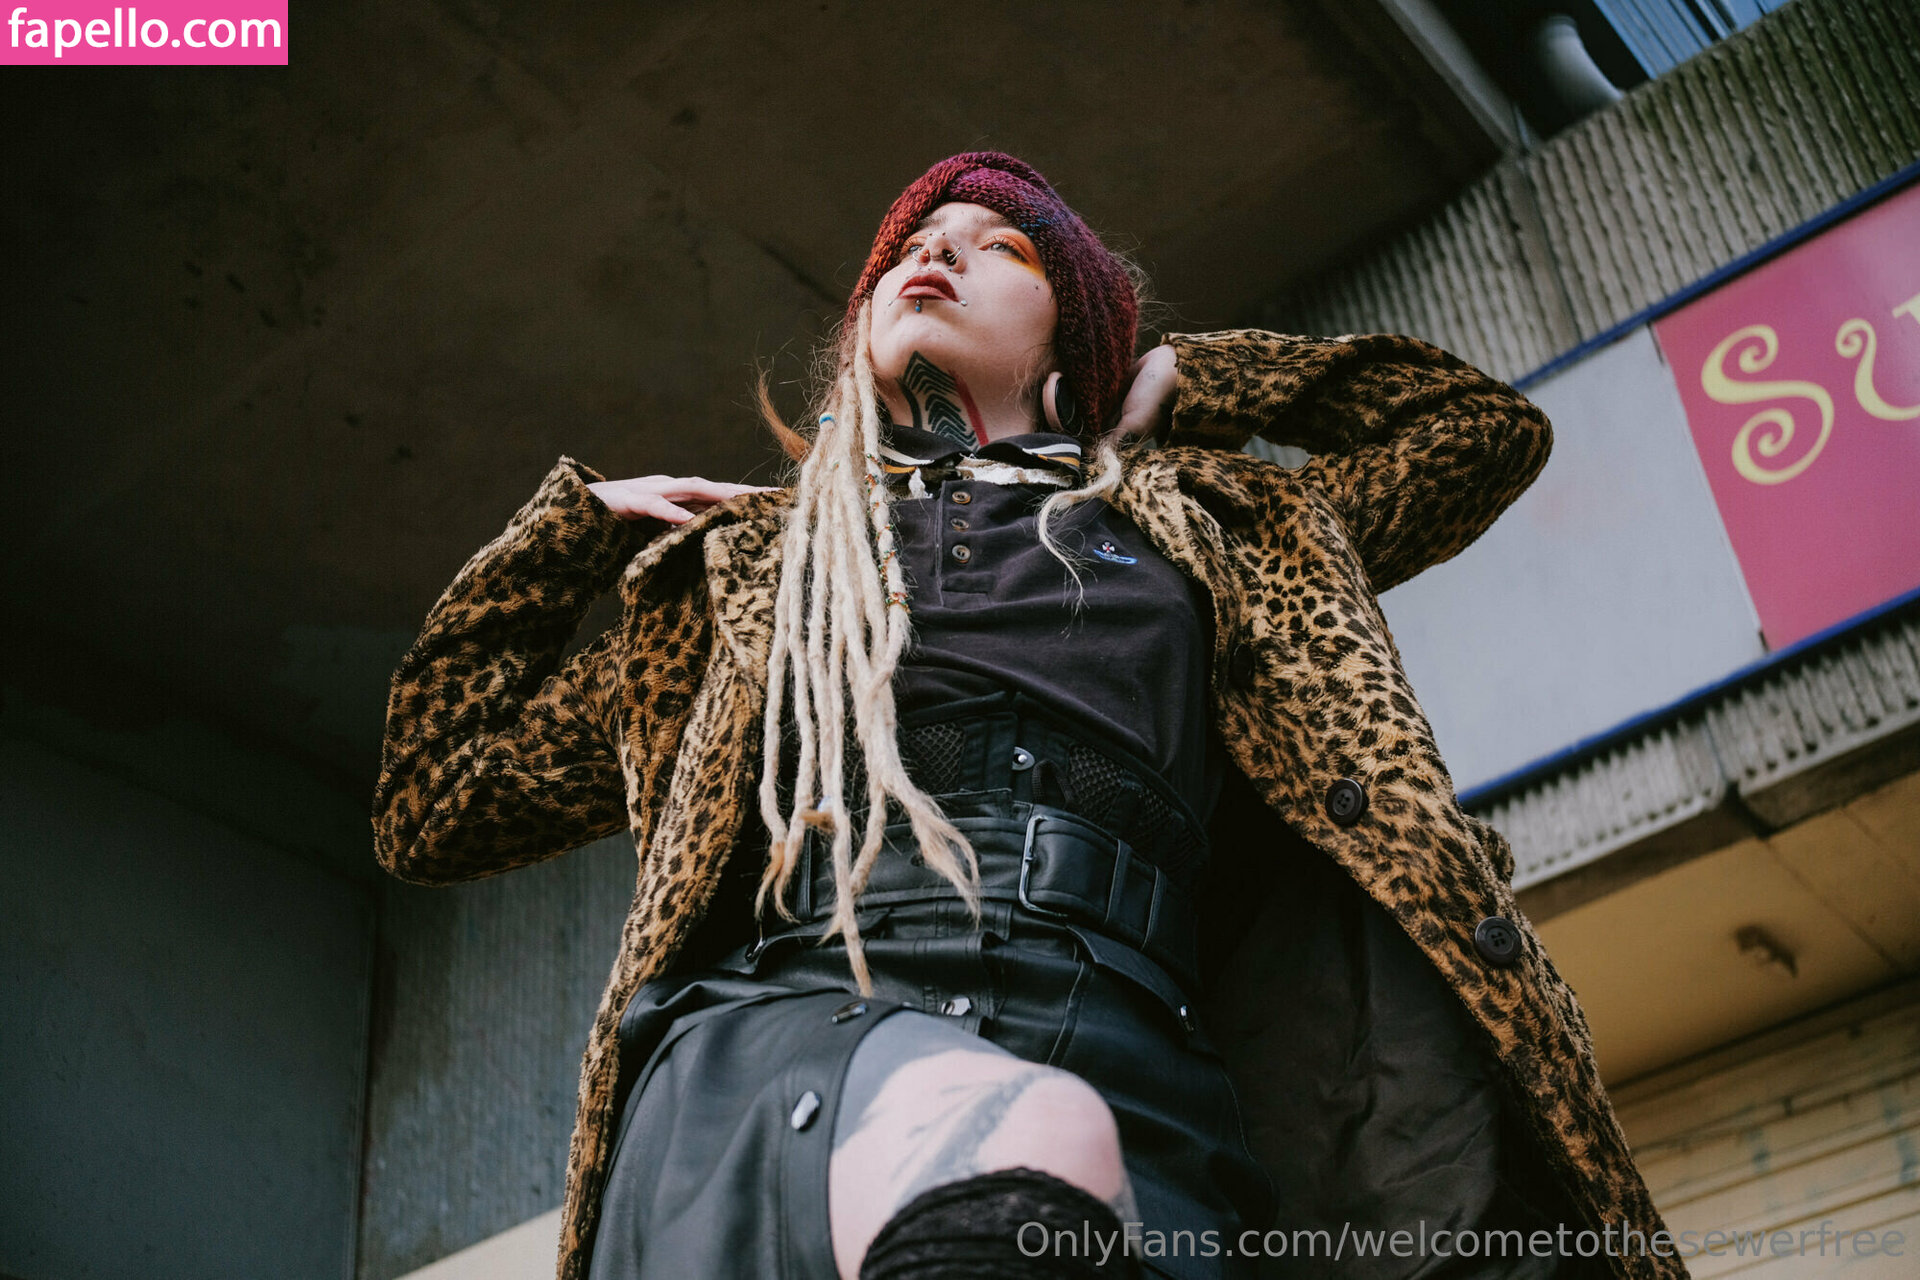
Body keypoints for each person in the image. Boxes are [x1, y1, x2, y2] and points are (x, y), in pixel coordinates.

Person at [374, 153, 1682, 1280]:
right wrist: (567, 538)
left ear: (1075, 344)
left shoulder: (1214, 526)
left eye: (1000, 248)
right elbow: (435, 802)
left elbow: (1479, 430)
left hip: (1143, 1050)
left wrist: (1196, 377)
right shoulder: (751, 576)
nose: (935, 255)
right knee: (1020, 1136)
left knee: (1071, 1152)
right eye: (911, 246)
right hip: (798, 1031)